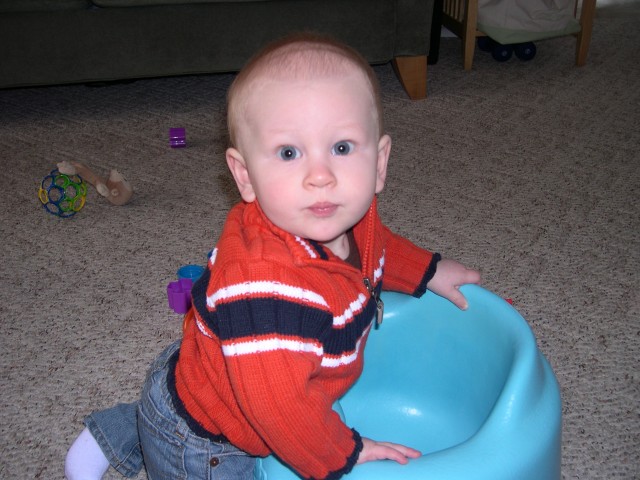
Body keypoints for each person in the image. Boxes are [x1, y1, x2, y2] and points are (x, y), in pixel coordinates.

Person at [65, 33, 481, 480]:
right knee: (191, 415)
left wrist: (429, 270)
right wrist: (342, 451)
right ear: (245, 177)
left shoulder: (352, 218)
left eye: (341, 148)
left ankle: (129, 426)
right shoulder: (263, 287)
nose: (320, 176)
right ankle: (139, 431)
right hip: (208, 444)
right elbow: (277, 408)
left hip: (215, 367)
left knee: (198, 383)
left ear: (379, 163)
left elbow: (381, 250)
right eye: (288, 153)